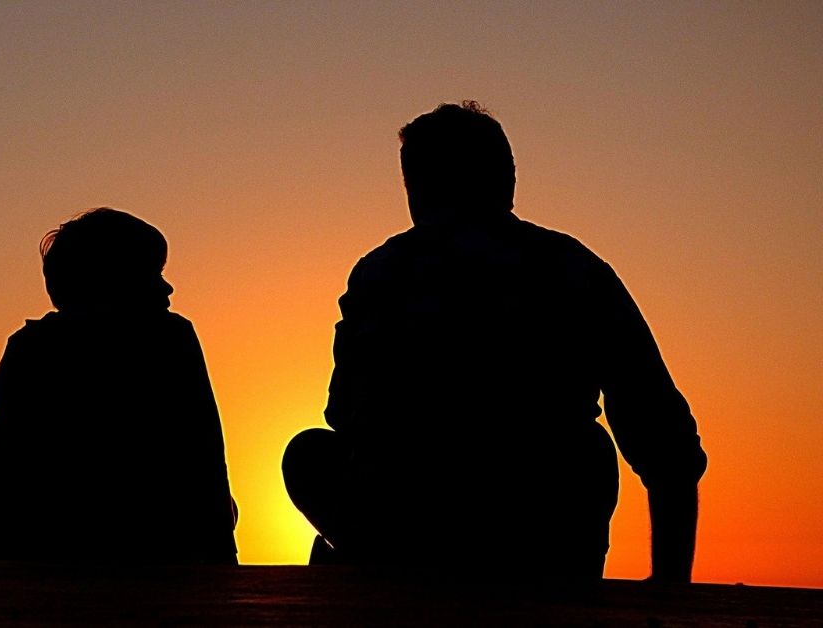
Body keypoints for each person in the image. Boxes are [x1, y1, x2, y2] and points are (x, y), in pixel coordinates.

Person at [282, 102, 707, 581]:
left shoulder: (382, 273)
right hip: (547, 532)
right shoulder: (574, 268)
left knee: (310, 453)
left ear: (416, 189)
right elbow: (664, 439)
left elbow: (343, 413)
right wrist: (671, 585)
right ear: (508, 180)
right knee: (587, 447)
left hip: (409, 534)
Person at [0, 208, 238, 563]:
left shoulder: (29, 346)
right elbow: (204, 461)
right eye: (153, 273)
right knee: (227, 509)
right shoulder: (170, 338)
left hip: (45, 540)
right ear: (116, 279)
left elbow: (4, 464)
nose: (167, 287)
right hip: (155, 540)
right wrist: (222, 565)